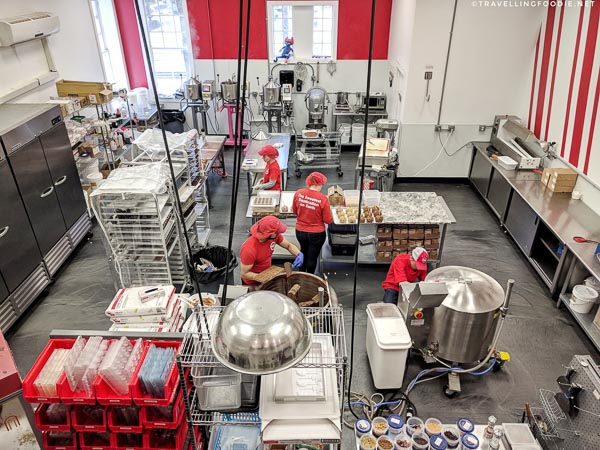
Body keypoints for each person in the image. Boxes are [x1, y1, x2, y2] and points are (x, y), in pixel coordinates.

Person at [240, 216, 303, 286]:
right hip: (253, 283)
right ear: (269, 234)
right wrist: (262, 278)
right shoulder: (249, 249)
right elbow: (244, 273)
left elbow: (288, 245)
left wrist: (298, 254)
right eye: (277, 231)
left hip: (267, 272)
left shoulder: (274, 237)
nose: (279, 233)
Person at [292, 172, 334, 274]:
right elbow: (328, 220)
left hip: (300, 232)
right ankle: (310, 278)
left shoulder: (298, 193)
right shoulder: (323, 199)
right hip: (316, 234)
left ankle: (301, 274)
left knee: (303, 253)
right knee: (312, 257)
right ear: (319, 184)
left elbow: (294, 211)